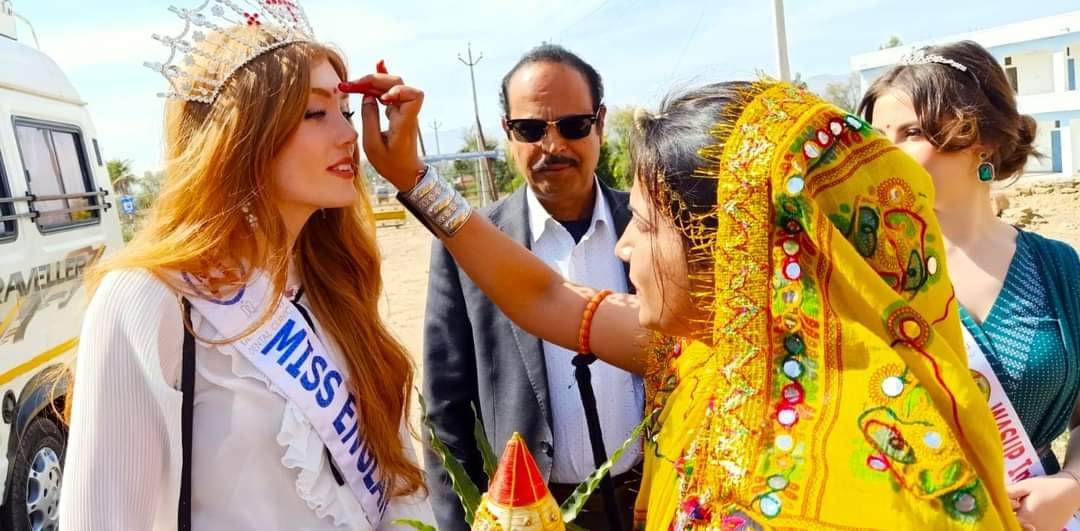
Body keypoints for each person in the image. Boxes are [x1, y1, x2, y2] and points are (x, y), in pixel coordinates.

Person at [358, 70, 1021, 528]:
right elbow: (545, 295)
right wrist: (414, 180)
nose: (623, 250)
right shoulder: (713, 357)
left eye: (644, 225)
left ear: (729, 248)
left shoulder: (866, 468)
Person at [58, 2, 432, 529]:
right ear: (241, 137)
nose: (350, 136)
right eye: (314, 113)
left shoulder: (333, 282)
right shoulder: (149, 297)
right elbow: (104, 518)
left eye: (345, 112)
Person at [860, 40, 1080, 531]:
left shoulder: (1059, 268)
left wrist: (1072, 483)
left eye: (911, 132)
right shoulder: (867, 273)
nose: (883, 153)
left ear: (984, 139)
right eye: (877, 136)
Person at [422, 44, 641, 531]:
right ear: (508, 133)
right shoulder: (471, 248)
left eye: (573, 126)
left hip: (657, 498)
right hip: (533, 515)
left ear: (600, 123)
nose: (553, 146)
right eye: (531, 129)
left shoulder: (652, 229)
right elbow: (445, 410)